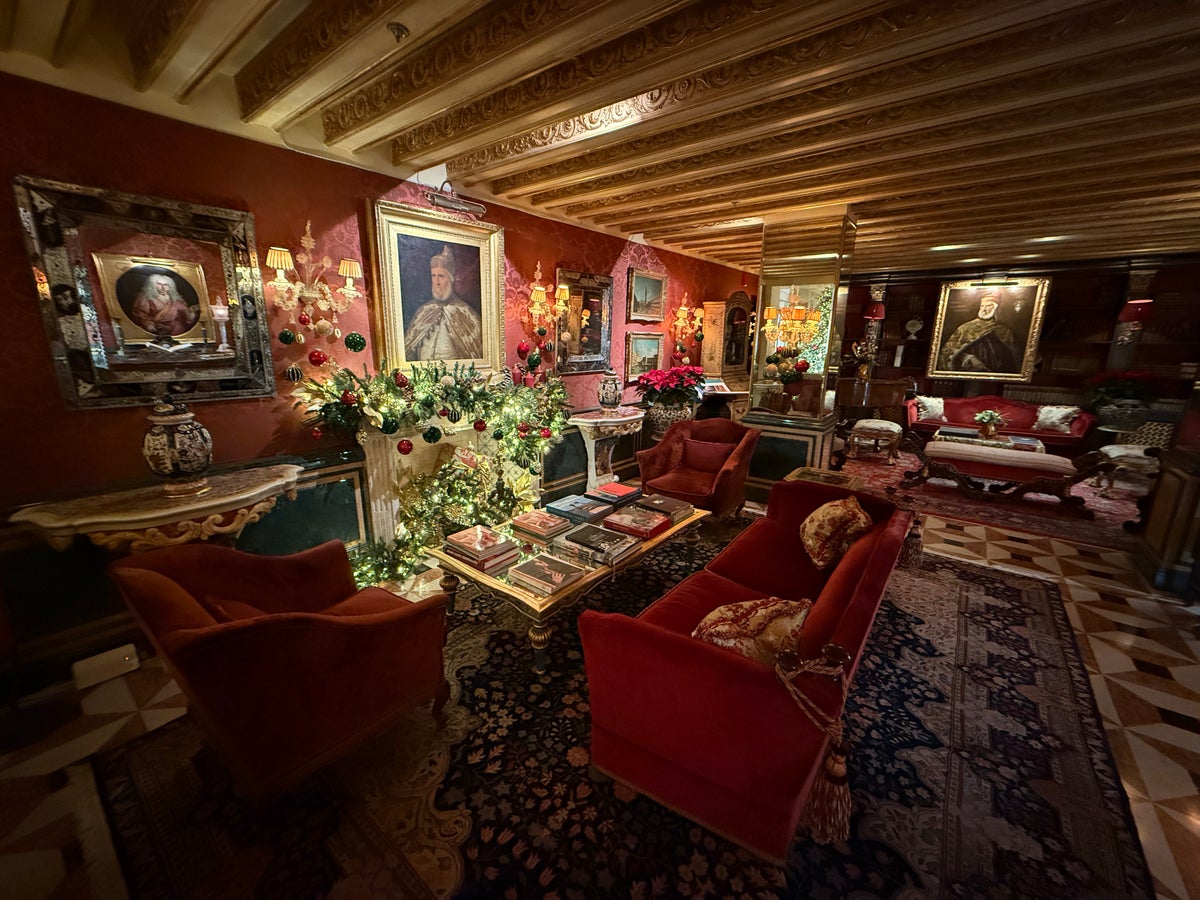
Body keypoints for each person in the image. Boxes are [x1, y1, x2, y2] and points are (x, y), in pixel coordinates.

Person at [404, 245, 483, 360]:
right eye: (433, 276)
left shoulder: (467, 314)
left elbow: (476, 357)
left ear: (451, 278)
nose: (436, 282)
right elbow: (408, 352)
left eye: (441, 276)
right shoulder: (423, 312)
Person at [937, 294, 1019, 373]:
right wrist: (969, 358)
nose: (984, 309)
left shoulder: (1005, 330)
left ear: (996, 308)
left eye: (988, 306)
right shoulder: (966, 328)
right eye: (982, 306)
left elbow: (1013, 357)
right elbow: (948, 353)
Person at [129, 271, 199, 336]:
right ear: (152, 285)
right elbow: (141, 314)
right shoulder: (146, 298)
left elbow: (184, 314)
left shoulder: (176, 299)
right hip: (157, 330)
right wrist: (148, 324)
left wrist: (190, 314)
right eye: (159, 284)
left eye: (166, 285)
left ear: (170, 287)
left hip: (177, 330)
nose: (163, 287)